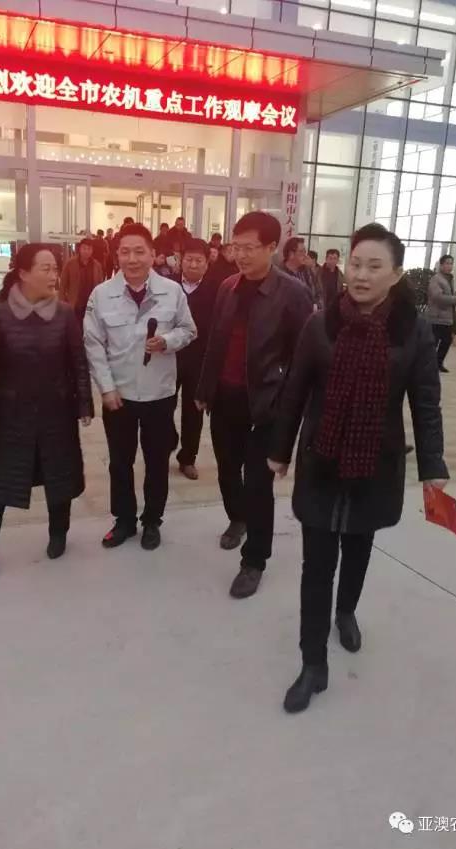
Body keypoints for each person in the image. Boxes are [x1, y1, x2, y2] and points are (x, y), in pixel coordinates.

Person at [268, 223, 449, 713]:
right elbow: (295, 392)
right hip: (322, 460)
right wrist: (279, 450)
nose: (362, 275)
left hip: (376, 463)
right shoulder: (320, 324)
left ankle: (345, 610)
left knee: (358, 548)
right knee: (315, 567)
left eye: (375, 266)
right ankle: (312, 664)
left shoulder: (412, 331)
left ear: (396, 275)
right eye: (356, 264)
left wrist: (432, 465)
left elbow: (425, 403)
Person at [195, 211, 313, 599]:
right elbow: (215, 343)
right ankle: (238, 518)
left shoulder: (293, 294)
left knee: (258, 484)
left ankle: (255, 560)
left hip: (266, 404)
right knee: (227, 471)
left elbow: (303, 358)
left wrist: (290, 409)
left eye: (249, 248)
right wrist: (204, 387)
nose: (240, 255)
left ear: (271, 247)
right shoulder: (228, 287)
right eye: (236, 247)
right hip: (225, 398)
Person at [0, 244, 94, 577]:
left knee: (59, 476)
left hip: (57, 411)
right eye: (46, 269)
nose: (54, 275)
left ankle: (59, 534)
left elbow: (78, 363)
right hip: (12, 413)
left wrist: (84, 403)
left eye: (55, 269)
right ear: (23, 273)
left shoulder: (65, 314)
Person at [84, 223, 196, 551]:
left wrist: (168, 341)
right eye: (125, 252)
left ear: (152, 254)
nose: (132, 259)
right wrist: (106, 388)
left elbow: (189, 330)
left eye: (139, 251)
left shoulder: (172, 291)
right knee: (120, 462)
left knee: (157, 462)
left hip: (159, 394)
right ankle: (123, 520)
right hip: (118, 395)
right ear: (116, 255)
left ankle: (152, 521)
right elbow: (93, 344)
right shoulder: (101, 294)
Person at [173, 239, 219, 480]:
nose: (193, 264)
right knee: (163, 406)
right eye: (189, 259)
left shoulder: (216, 290)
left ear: (207, 264)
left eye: (198, 260)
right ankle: (166, 443)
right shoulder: (169, 286)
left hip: (199, 360)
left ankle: (188, 458)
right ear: (181, 261)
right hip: (169, 358)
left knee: (194, 411)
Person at [427, 254, 456, 373]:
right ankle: (428, 364)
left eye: (451, 263)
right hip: (437, 317)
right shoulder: (436, 279)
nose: (449, 266)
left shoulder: (449, 279)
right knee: (433, 342)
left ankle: (438, 363)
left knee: (447, 341)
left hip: (447, 318)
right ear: (441, 265)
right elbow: (437, 297)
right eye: (447, 263)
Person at [58, 237, 105, 323]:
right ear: (79, 249)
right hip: (75, 304)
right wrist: (62, 302)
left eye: (89, 249)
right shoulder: (70, 264)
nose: (86, 251)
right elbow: (62, 284)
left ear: (92, 250)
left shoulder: (97, 265)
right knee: (75, 326)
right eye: (84, 248)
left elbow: (101, 285)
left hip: (91, 305)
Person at [283, 236, 316, 304]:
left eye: (305, 252)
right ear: (291, 254)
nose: (305, 256)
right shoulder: (280, 274)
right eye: (301, 252)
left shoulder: (306, 271)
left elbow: (317, 293)